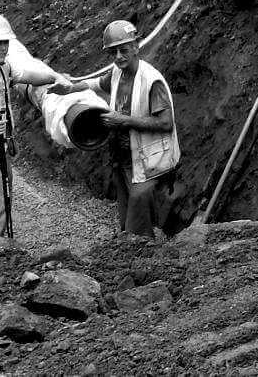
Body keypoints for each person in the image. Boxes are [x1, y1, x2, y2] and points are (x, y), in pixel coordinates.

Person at [0, 14, 79, 252]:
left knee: (2, 196)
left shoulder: (3, 67)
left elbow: (26, 76)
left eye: (5, 42)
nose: (3, 47)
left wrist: (53, 77)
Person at [73, 20, 179, 237]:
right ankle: (136, 247)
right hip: (124, 158)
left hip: (150, 163)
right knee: (128, 216)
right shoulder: (117, 73)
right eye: (113, 52)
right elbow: (98, 84)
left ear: (136, 47)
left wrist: (122, 120)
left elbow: (166, 123)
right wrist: (71, 86)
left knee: (138, 219)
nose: (118, 57)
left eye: (123, 50)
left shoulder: (151, 81)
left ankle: (143, 254)